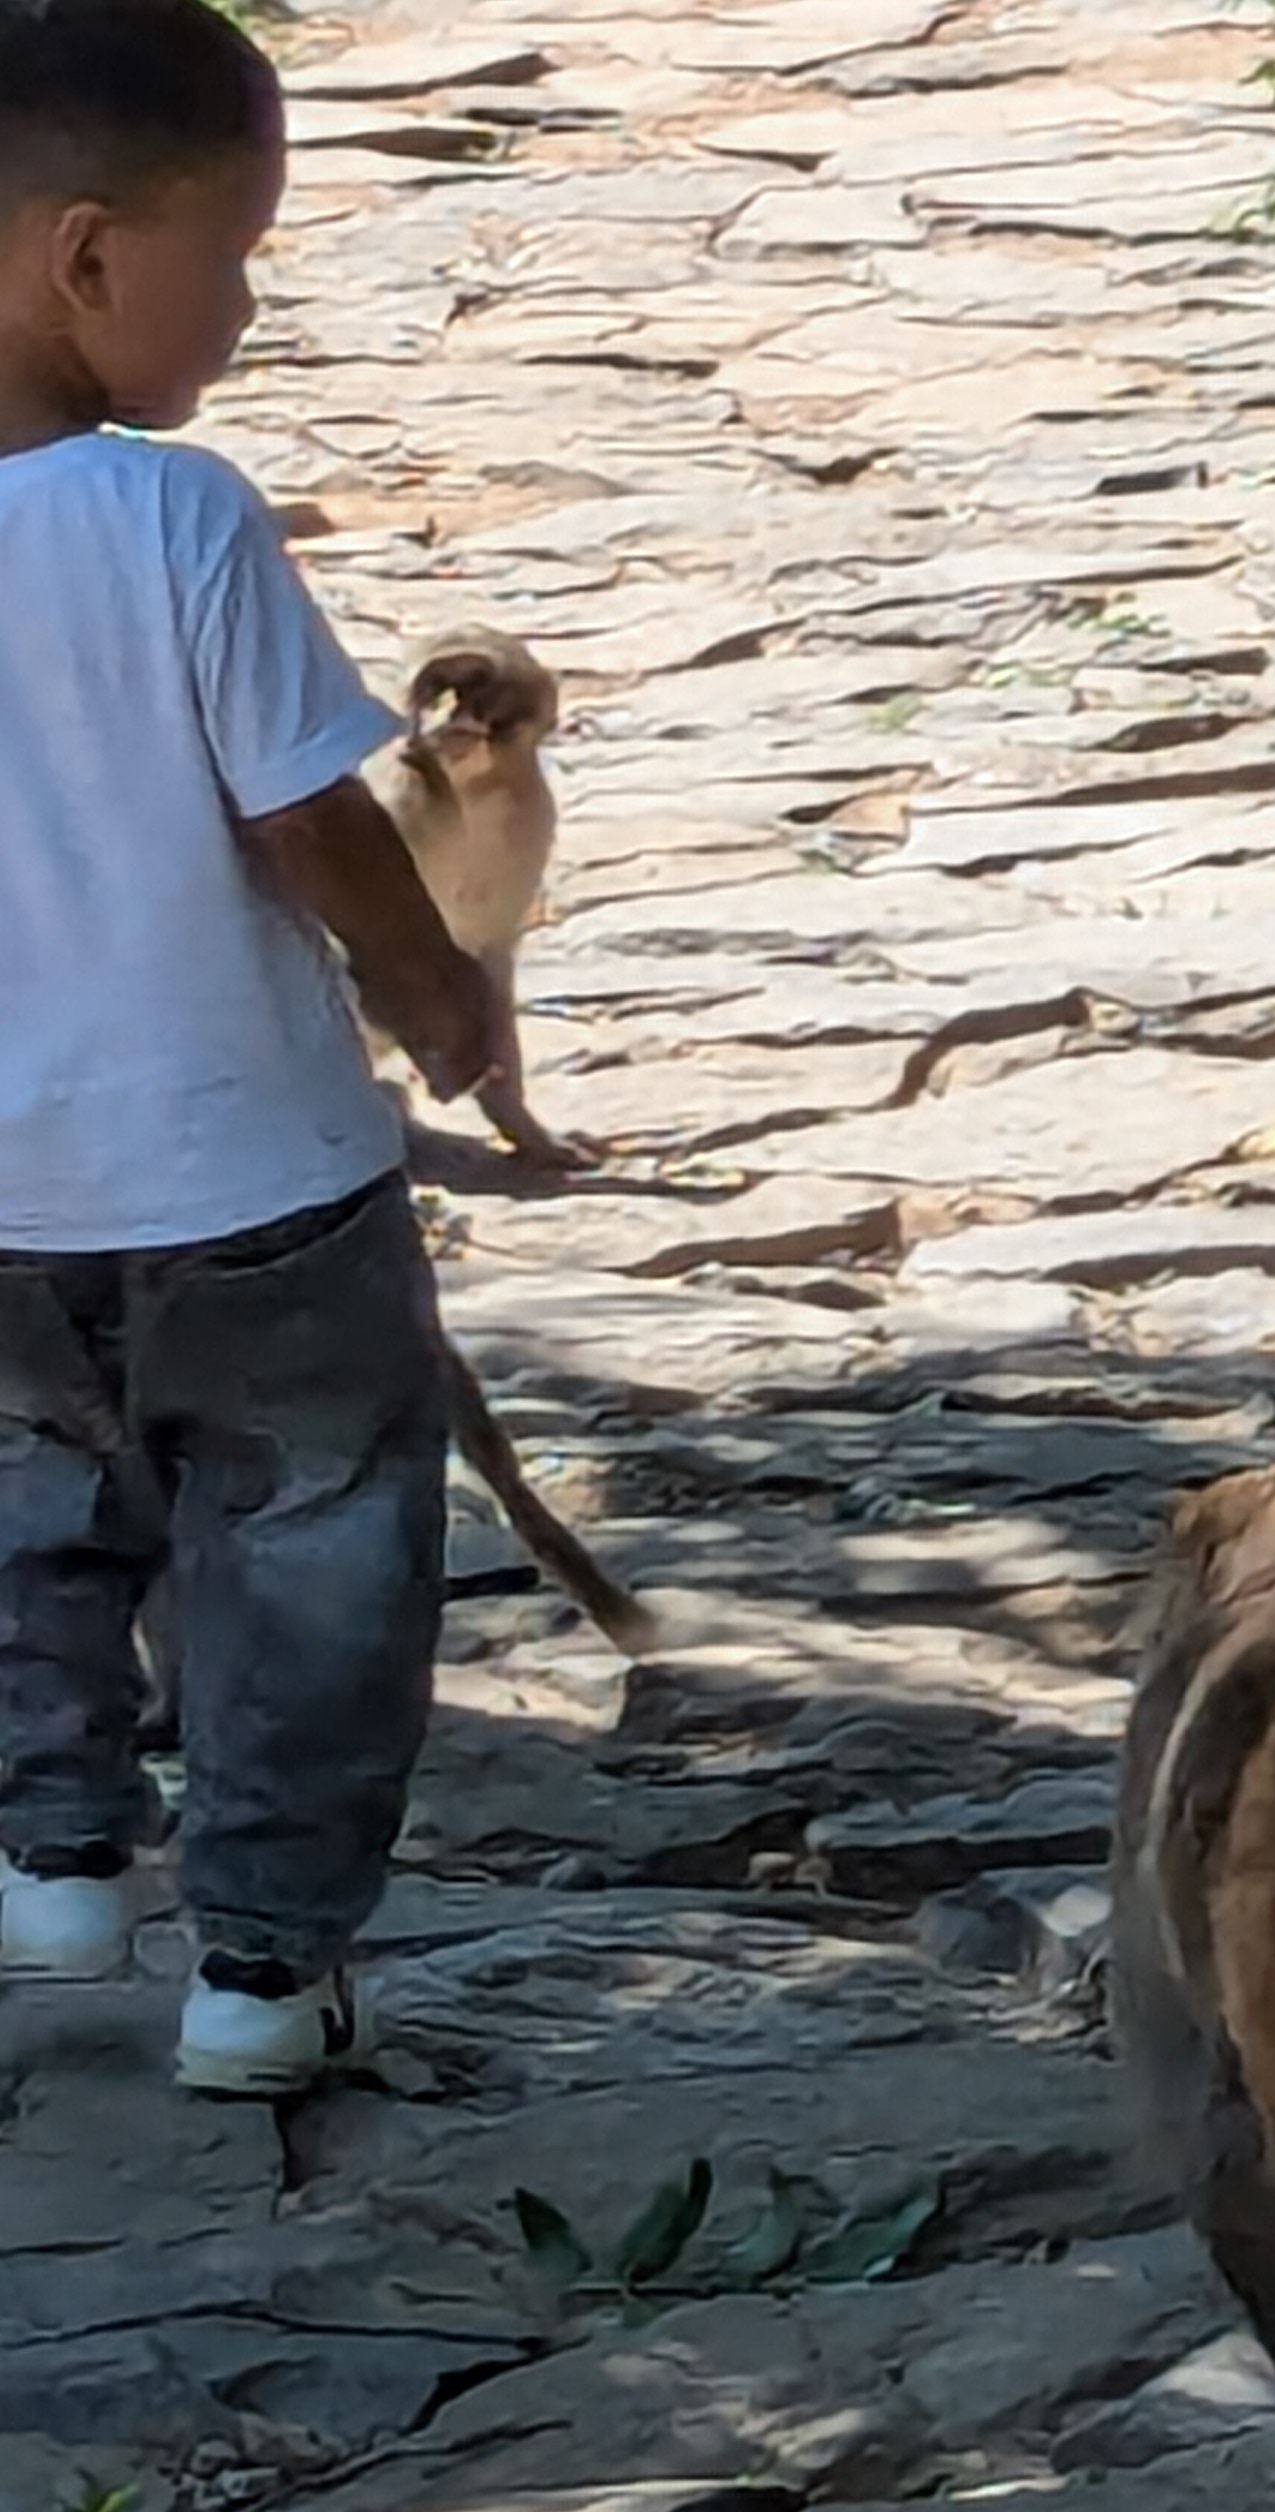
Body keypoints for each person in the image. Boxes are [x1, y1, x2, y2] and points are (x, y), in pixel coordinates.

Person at [0, 0, 507, 2094]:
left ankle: (51, 1863)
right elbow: (309, 816)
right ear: (93, 256)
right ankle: (263, 1975)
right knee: (312, 1553)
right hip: (258, 1178)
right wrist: (435, 990)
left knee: (33, 1525)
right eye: (241, 248)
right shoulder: (172, 517)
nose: (250, 298)